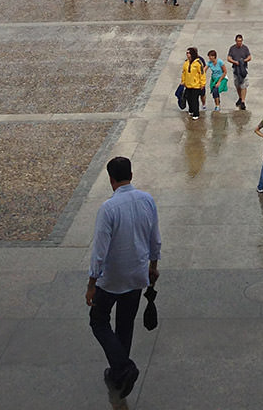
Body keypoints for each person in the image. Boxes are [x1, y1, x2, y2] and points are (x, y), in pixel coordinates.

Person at [87, 156, 160, 404]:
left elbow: (99, 253)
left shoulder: (109, 208)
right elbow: (155, 239)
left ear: (111, 179)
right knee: (125, 324)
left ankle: (123, 366)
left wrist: (91, 284)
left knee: (98, 321)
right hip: (137, 275)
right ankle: (119, 374)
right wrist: (153, 266)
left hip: (111, 279)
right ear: (131, 174)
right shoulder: (147, 200)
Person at [227, 35, 251, 109]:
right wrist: (235, 62)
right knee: (237, 84)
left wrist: (243, 61)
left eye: (240, 41)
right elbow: (228, 58)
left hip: (243, 69)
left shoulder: (245, 48)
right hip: (235, 69)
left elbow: (249, 57)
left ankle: (243, 101)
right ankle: (240, 97)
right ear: (235, 41)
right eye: (238, 41)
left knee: (243, 85)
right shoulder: (232, 48)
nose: (239, 42)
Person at [181, 47, 206, 119]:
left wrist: (202, 83)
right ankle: (191, 110)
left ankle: (196, 113)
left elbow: (202, 73)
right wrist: (183, 81)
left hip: (196, 85)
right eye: (187, 53)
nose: (188, 55)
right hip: (188, 84)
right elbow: (184, 72)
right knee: (188, 98)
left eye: (189, 53)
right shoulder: (186, 62)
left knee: (194, 99)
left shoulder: (198, 63)